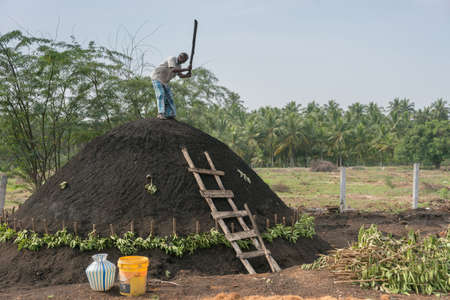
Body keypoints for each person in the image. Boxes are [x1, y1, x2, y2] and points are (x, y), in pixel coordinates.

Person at [151, 53, 191, 119]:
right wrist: (186, 69)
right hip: (157, 77)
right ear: (180, 57)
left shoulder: (179, 66)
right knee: (161, 94)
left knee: (169, 97)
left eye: (185, 61)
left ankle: (169, 114)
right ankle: (160, 113)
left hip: (165, 81)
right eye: (183, 60)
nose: (183, 62)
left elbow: (180, 75)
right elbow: (173, 70)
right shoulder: (172, 59)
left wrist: (187, 75)